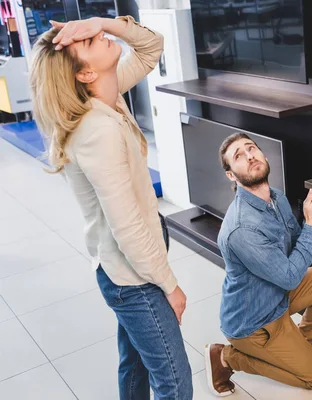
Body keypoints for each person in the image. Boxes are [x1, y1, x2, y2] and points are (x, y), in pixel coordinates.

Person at [29, 16, 193, 399]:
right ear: (85, 74)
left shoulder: (107, 95)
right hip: (133, 278)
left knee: (134, 367)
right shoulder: (96, 131)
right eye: (88, 41)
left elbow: (151, 46)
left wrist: (101, 22)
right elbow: (128, 226)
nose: (97, 35)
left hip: (129, 265)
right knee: (175, 382)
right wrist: (170, 286)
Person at [205, 133, 312, 396]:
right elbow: (290, 277)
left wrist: (310, 220)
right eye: (239, 155)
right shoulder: (241, 228)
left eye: (252, 148)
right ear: (231, 175)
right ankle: (226, 357)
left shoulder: (276, 197)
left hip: (278, 296)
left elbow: (297, 250)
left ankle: (303, 342)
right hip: (254, 323)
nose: (250, 155)